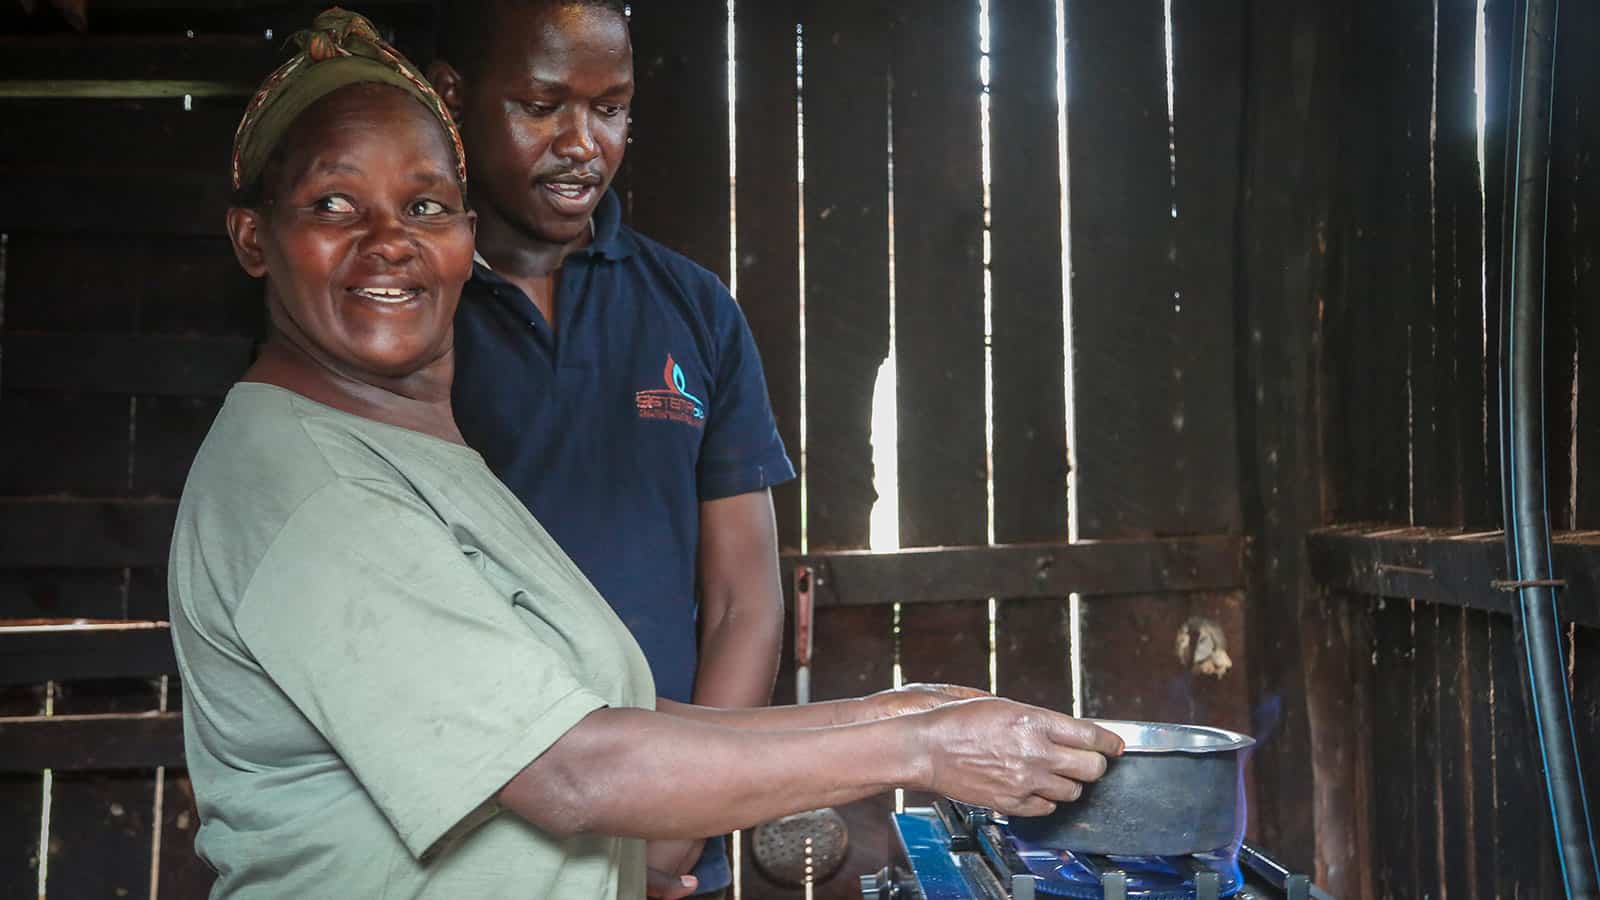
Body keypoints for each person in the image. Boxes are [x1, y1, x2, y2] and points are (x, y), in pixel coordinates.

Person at [169, 9, 1123, 899]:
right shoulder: (317, 488)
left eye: (425, 207)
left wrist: (907, 711)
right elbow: (574, 770)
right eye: (336, 204)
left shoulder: (416, 448)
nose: (391, 244)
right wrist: (922, 750)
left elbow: (615, 717)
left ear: (464, 235)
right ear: (256, 239)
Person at [425, 2, 789, 891]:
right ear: (452, 100)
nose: (582, 141)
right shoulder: (406, 315)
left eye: (611, 106)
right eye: (541, 105)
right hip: (471, 845)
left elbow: (746, 598)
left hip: (664, 842)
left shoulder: (694, 309)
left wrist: (676, 830)